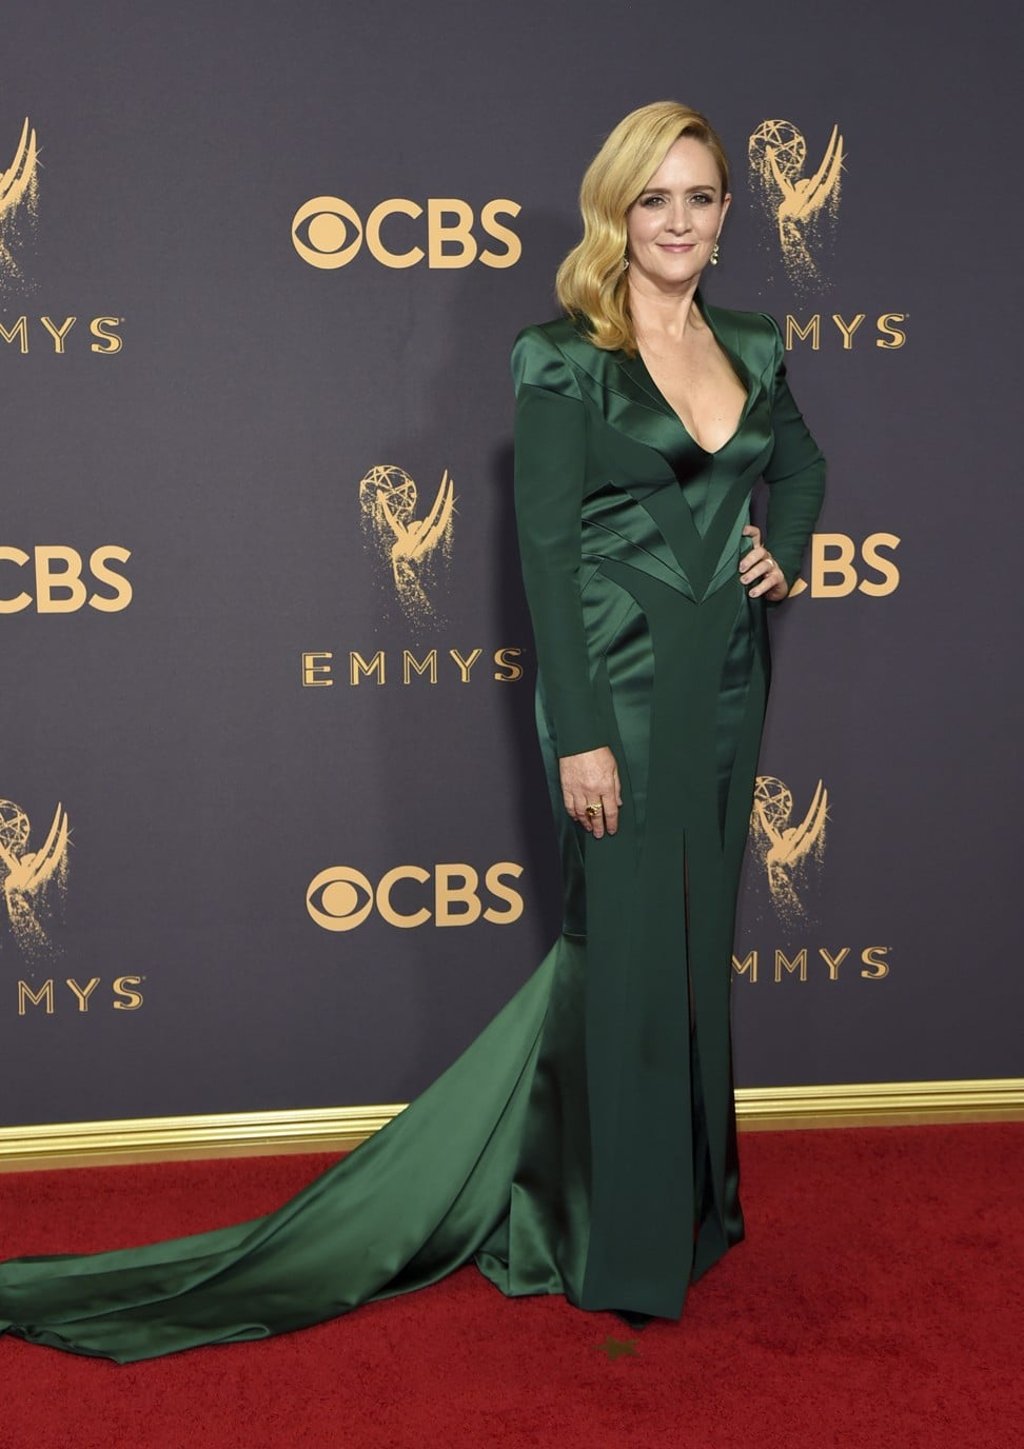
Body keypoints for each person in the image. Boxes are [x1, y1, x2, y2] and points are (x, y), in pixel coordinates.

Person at [0, 102, 824, 1361]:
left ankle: (694, 1209)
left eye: (700, 197)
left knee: (693, 942)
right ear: (618, 210)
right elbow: (545, 552)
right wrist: (581, 736)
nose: (677, 221)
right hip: (617, 684)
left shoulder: (755, 345)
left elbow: (798, 465)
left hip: (724, 681)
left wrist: (788, 554)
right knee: (625, 947)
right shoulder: (561, 355)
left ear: (726, 212)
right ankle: (606, 1233)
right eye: (653, 198)